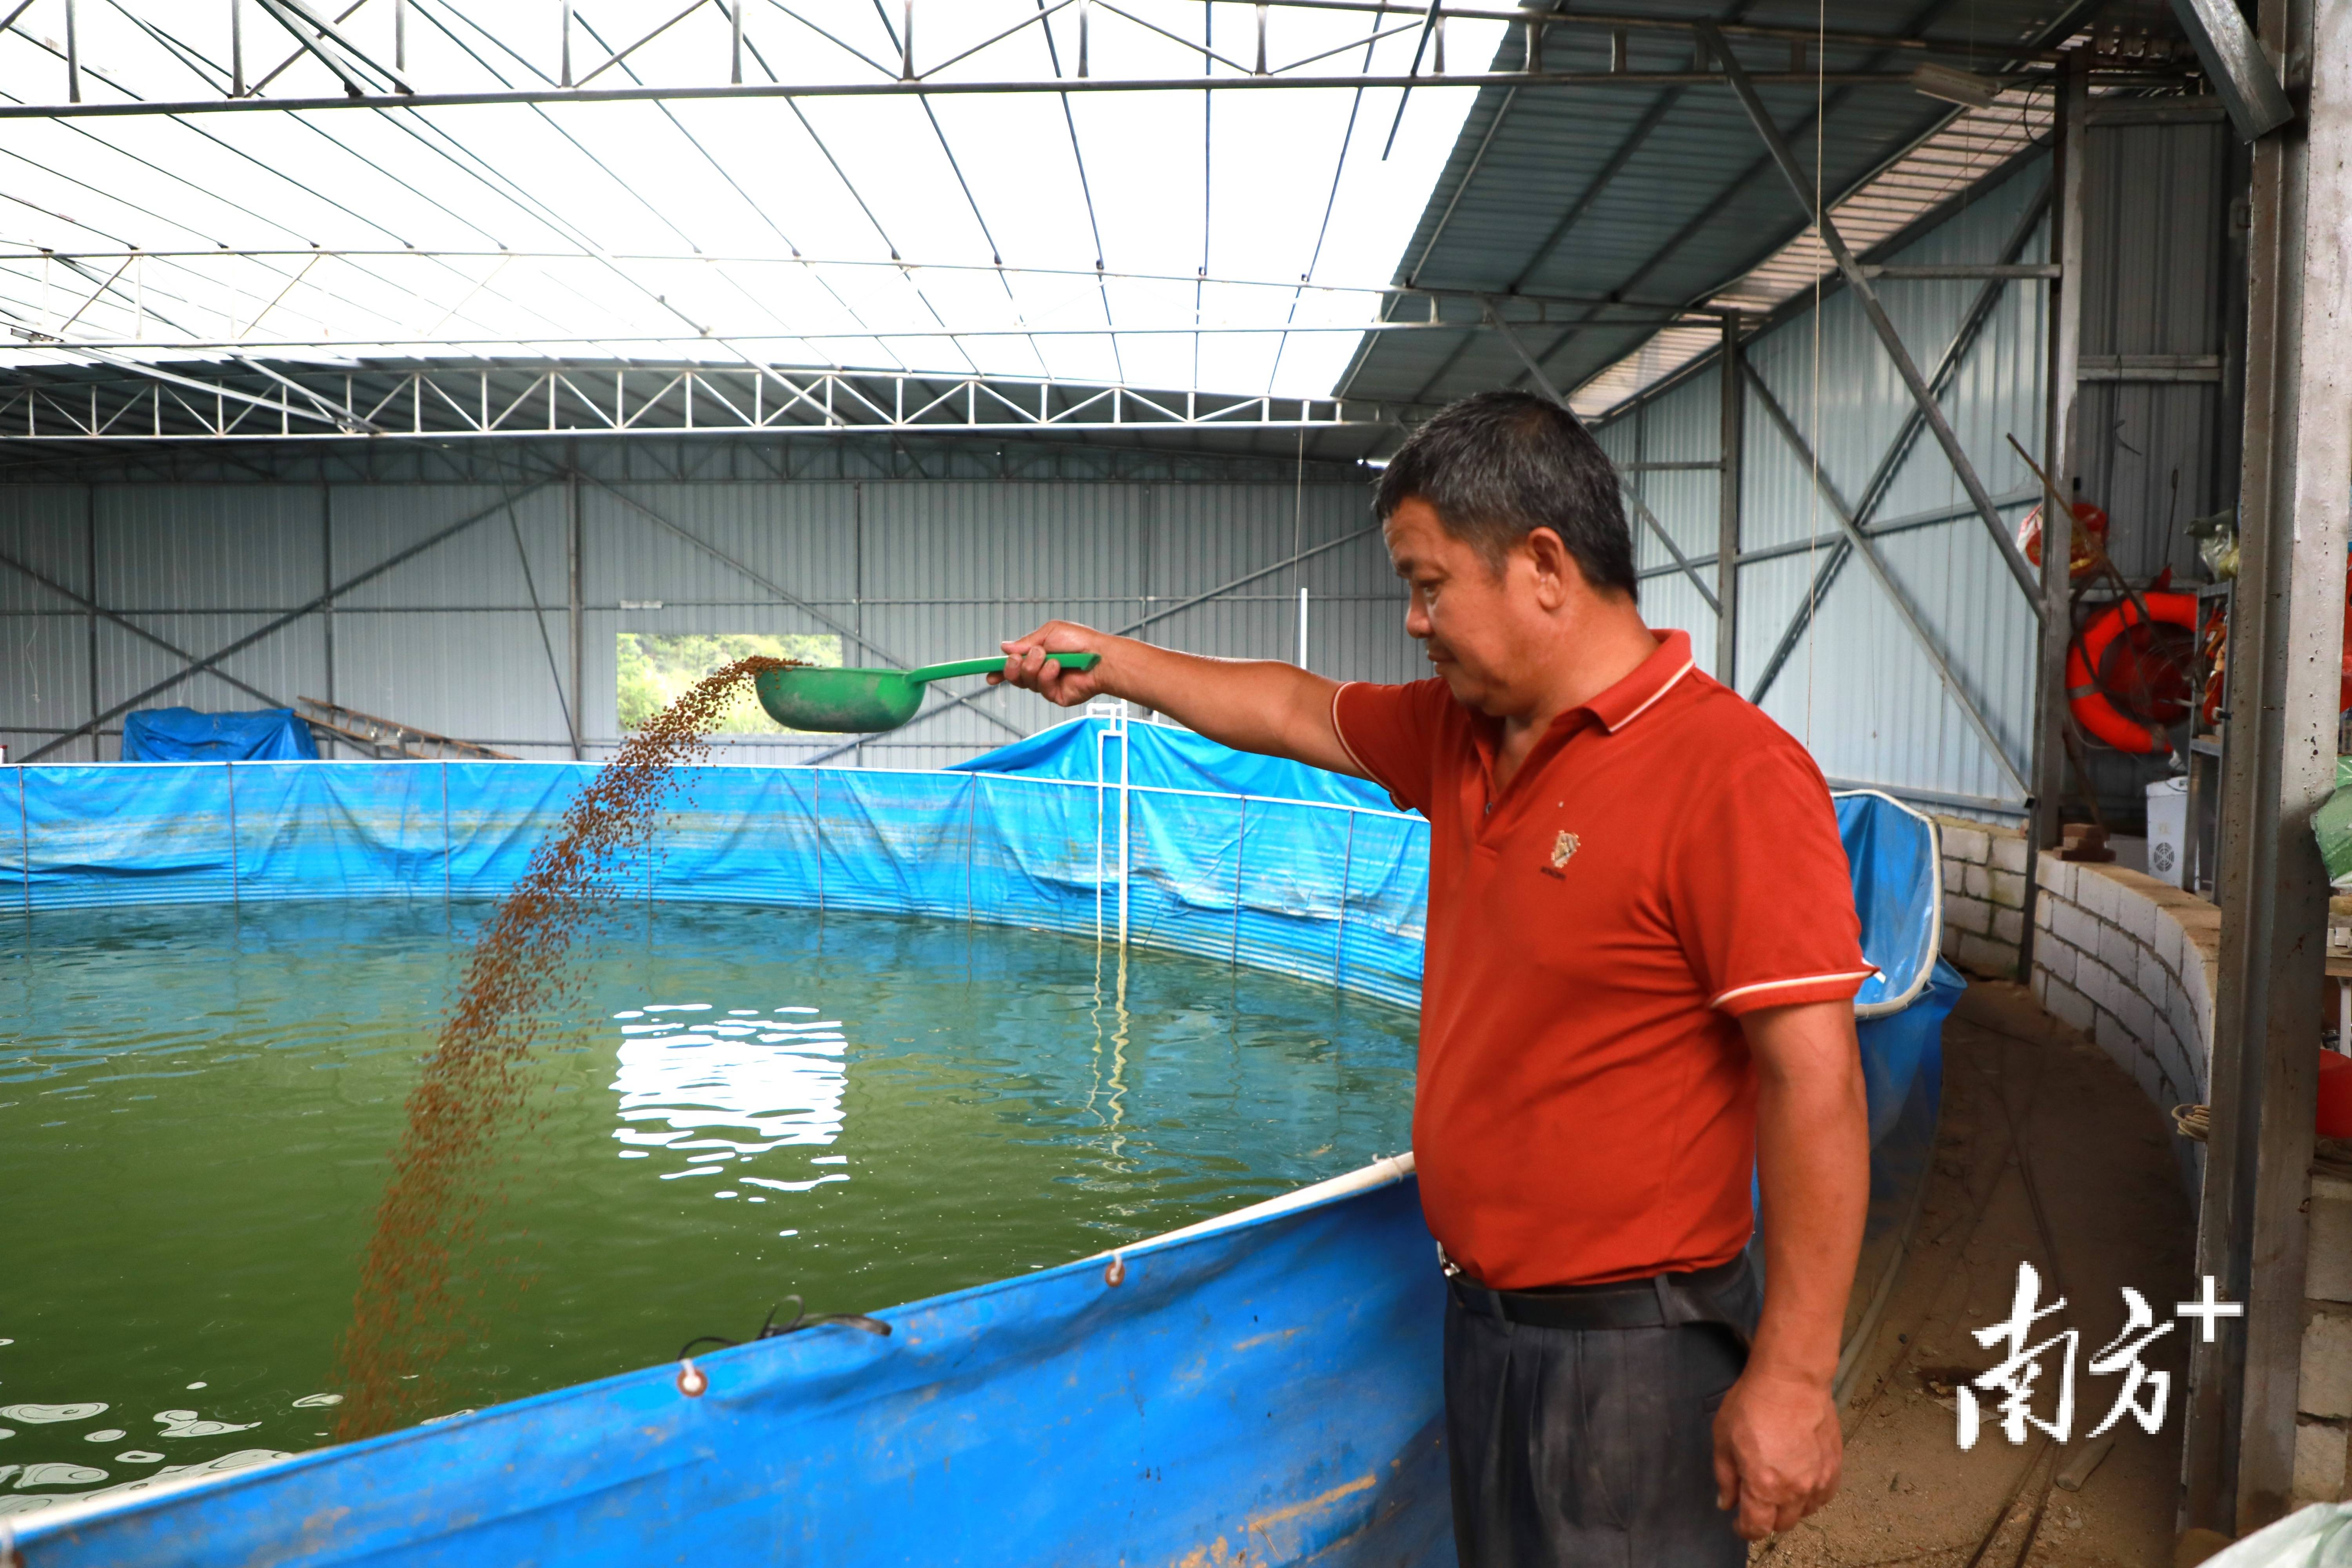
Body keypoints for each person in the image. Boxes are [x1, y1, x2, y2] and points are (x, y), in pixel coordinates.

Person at [991, 390, 1873, 1565]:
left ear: (1544, 567)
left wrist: (1796, 1378)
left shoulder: (1732, 776)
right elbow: (1294, 708)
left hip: (1635, 1359)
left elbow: (1816, 1083)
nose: (1413, 621)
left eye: (1428, 583)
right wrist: (1113, 663)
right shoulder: (1468, 734)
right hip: (1486, 1326)